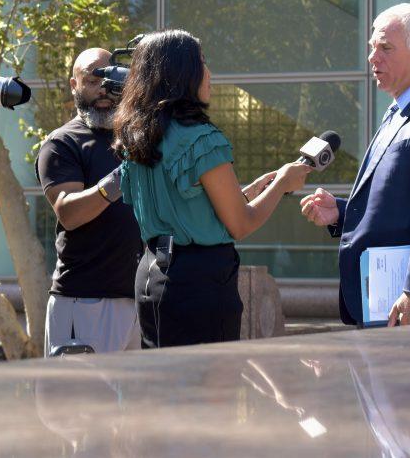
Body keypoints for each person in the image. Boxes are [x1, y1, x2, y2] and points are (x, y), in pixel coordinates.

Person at [114, 29, 310, 348]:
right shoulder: (201, 138)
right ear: (182, 73)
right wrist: (283, 184)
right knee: (211, 392)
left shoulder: (135, 139)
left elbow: (188, 210)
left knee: (163, 389)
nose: (209, 73)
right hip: (200, 281)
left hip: (151, 275)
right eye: (201, 62)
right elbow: (240, 224)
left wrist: (253, 190)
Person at [300, 3, 410, 327]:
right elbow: (397, 202)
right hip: (379, 307)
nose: (373, 58)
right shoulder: (400, 112)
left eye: (385, 48)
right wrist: (341, 211)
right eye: (372, 48)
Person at [35, 48, 143, 356]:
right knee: (80, 403)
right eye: (92, 79)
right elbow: (68, 212)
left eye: (110, 78)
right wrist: (118, 178)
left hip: (137, 298)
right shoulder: (62, 143)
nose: (103, 89)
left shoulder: (134, 138)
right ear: (74, 85)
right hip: (84, 302)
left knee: (139, 405)